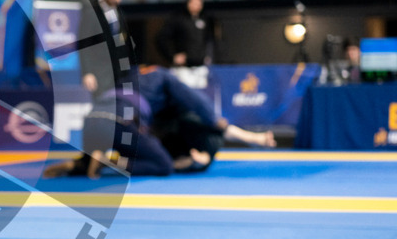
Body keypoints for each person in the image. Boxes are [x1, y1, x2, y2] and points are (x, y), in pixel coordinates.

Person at [43, 65, 275, 179]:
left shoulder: (128, 78)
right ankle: (108, 161)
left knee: (111, 138)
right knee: (162, 164)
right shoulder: (164, 78)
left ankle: (78, 165)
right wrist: (222, 123)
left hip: (90, 123)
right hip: (120, 122)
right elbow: (198, 103)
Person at [78, 0, 128, 97]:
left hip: (117, 72)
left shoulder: (118, 14)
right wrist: (88, 72)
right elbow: (84, 45)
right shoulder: (92, 13)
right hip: (98, 72)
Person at [156, 0, 212, 72]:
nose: (197, 5)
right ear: (188, 3)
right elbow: (161, 38)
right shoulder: (178, 18)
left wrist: (207, 56)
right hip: (182, 69)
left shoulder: (205, 19)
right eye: (194, 2)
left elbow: (209, 41)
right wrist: (172, 57)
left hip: (200, 67)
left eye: (199, 2)